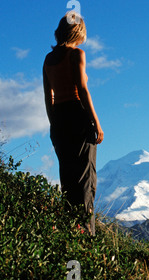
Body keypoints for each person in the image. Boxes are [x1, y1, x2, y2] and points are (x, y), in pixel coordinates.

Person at [43, 12, 104, 236]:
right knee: (86, 177)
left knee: (68, 177)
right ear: (79, 31)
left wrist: (53, 124)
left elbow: (47, 97)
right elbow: (82, 89)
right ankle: (87, 234)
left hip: (59, 119)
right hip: (78, 117)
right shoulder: (77, 54)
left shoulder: (48, 59)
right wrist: (96, 122)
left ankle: (70, 229)